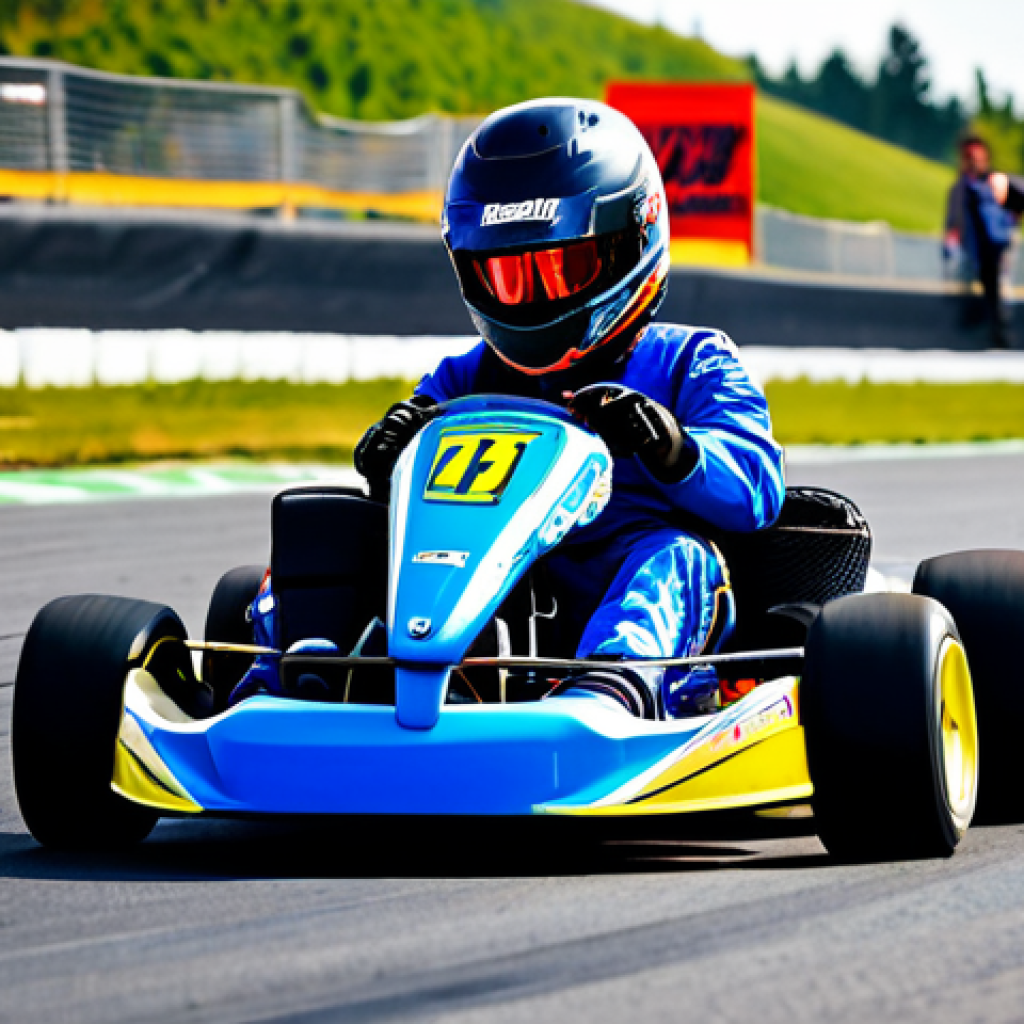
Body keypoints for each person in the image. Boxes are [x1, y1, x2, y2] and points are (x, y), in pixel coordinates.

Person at [355, 98, 785, 719]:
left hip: (633, 572)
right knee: (333, 526)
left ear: (629, 241)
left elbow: (757, 488)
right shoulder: (465, 377)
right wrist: (390, 455)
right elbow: (414, 481)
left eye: (558, 270)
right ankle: (309, 672)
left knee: (674, 556)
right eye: (508, 277)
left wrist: (675, 450)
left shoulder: (690, 360)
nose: (531, 301)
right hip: (494, 587)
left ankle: (610, 693)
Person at [944, 135, 1024, 349]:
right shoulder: (960, 189)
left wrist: (1010, 223)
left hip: (999, 247)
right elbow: (953, 221)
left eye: (976, 156)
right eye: (968, 156)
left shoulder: (996, 181)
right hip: (974, 250)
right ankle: (985, 333)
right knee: (984, 290)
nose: (972, 161)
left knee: (1000, 290)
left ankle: (1001, 334)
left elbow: (1019, 202)